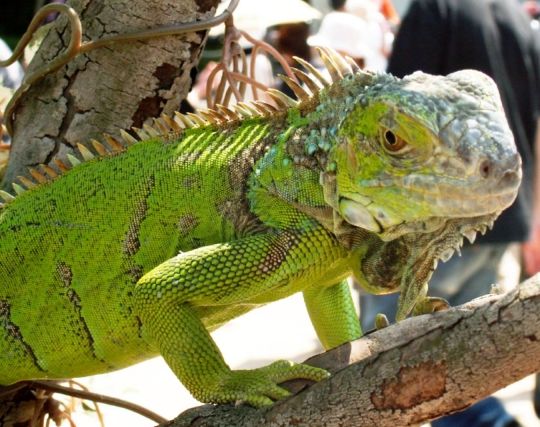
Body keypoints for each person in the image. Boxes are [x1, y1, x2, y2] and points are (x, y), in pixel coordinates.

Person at [359, 0, 540, 426]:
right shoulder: (517, 17)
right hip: (505, 211)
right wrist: (534, 222)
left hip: (435, 216)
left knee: (389, 361)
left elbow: (393, 112)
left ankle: (492, 422)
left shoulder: (433, 10)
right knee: (456, 360)